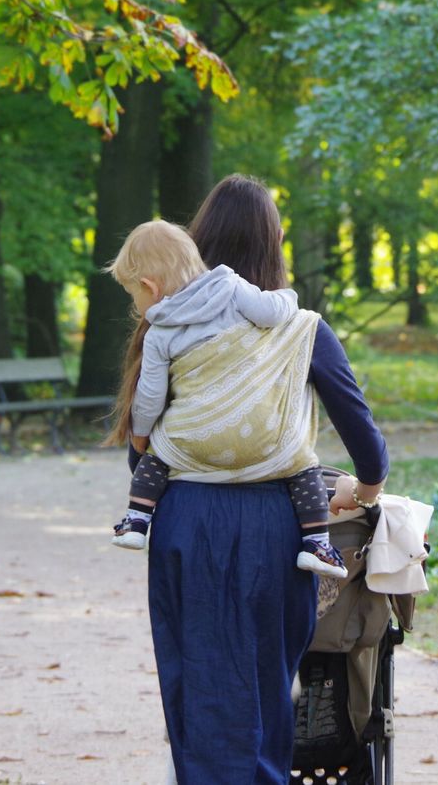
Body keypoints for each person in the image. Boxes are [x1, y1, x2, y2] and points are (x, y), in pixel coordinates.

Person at [113, 174, 388, 784]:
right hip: (276, 529)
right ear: (274, 247)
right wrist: (362, 492)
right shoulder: (303, 328)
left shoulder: (166, 326)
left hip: (187, 522)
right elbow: (368, 446)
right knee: (265, 685)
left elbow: (141, 452)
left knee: (197, 683)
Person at [104, 220, 347, 579]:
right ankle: (317, 544)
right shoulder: (231, 287)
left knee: (155, 457)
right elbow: (272, 313)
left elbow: (150, 397)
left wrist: (140, 436)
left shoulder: (160, 331)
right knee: (303, 466)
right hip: (264, 438)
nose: (135, 305)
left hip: (194, 443)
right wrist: (288, 298)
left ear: (149, 287)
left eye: (132, 295)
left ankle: (137, 520)